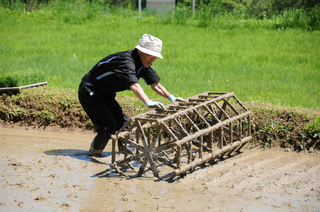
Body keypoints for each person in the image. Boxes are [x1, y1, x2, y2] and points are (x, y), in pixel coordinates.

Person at [78, 34, 183, 157]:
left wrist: (171, 97)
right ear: (140, 51)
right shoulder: (125, 61)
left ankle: (126, 155)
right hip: (90, 92)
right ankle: (94, 154)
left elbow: (155, 85)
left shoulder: (145, 63)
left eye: (155, 56)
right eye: (151, 54)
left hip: (106, 94)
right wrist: (148, 102)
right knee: (108, 126)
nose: (153, 58)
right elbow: (134, 85)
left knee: (125, 126)